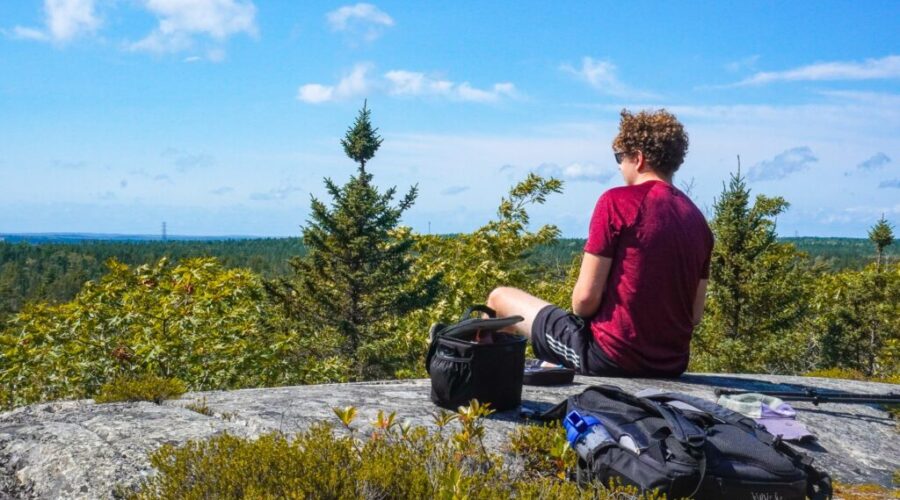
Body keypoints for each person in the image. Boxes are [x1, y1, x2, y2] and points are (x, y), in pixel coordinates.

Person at [487, 109, 713, 377]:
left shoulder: (617, 202)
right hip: (671, 365)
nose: (618, 166)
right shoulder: (698, 222)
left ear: (638, 159)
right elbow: (694, 315)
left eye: (620, 157)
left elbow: (583, 302)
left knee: (499, 298)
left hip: (609, 356)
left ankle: (485, 389)